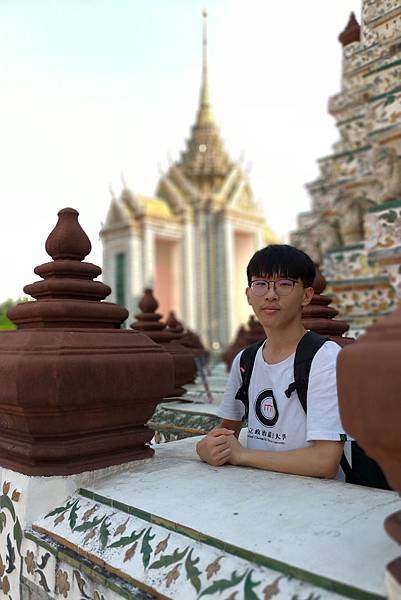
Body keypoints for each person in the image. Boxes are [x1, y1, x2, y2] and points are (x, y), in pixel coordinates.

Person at [196, 244, 347, 479]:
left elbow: (324, 461)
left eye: (284, 284)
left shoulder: (325, 358)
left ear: (306, 295)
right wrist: (205, 447)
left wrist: (242, 455)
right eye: (261, 284)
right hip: (258, 494)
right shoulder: (246, 360)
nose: (270, 294)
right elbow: (226, 432)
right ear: (248, 295)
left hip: (318, 501)